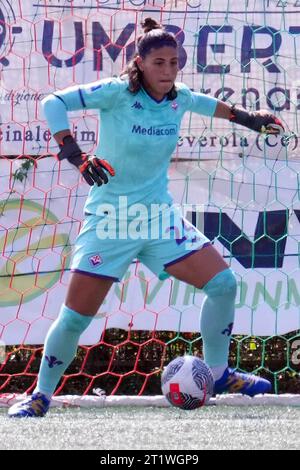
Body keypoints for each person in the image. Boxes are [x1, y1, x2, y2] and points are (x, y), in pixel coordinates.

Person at [8, 18, 284, 418]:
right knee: (74, 318)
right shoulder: (117, 93)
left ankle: (220, 372)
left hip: (158, 216)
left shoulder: (179, 96)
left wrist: (251, 119)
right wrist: (74, 154)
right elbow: (53, 102)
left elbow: (217, 108)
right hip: (110, 220)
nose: (168, 71)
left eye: (174, 62)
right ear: (139, 62)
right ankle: (40, 395)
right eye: (159, 63)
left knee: (223, 284)